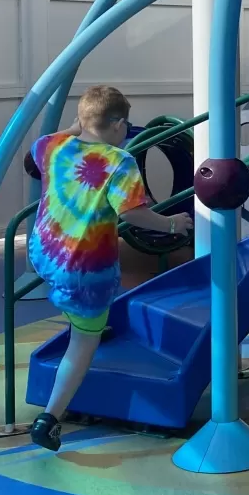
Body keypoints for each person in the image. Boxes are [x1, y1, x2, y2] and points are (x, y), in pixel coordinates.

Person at [26, 84, 188, 451]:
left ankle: (87, 317)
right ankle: (50, 419)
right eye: (125, 125)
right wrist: (173, 224)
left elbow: (49, 142)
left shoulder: (51, 146)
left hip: (46, 254)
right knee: (84, 341)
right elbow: (132, 213)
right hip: (86, 269)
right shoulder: (120, 161)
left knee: (83, 311)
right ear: (117, 125)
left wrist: (77, 126)